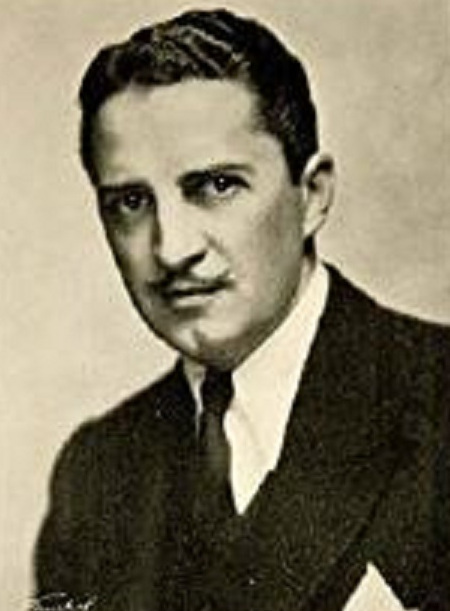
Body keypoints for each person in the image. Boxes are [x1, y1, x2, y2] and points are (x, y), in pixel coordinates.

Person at [33, 8, 449, 611]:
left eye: (216, 185)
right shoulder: (95, 474)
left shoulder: (437, 401)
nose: (171, 249)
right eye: (131, 202)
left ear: (312, 195)